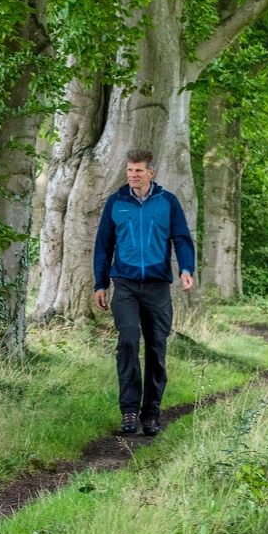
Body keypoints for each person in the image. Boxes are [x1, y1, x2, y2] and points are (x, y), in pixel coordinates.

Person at [92, 148, 196, 437]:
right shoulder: (116, 202)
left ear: (151, 172)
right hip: (124, 283)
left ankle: (151, 414)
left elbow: (182, 239)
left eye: (138, 170)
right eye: (129, 170)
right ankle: (128, 410)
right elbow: (103, 246)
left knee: (155, 348)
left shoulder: (167, 202)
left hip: (157, 286)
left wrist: (186, 268)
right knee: (127, 340)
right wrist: (100, 284)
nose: (132, 175)